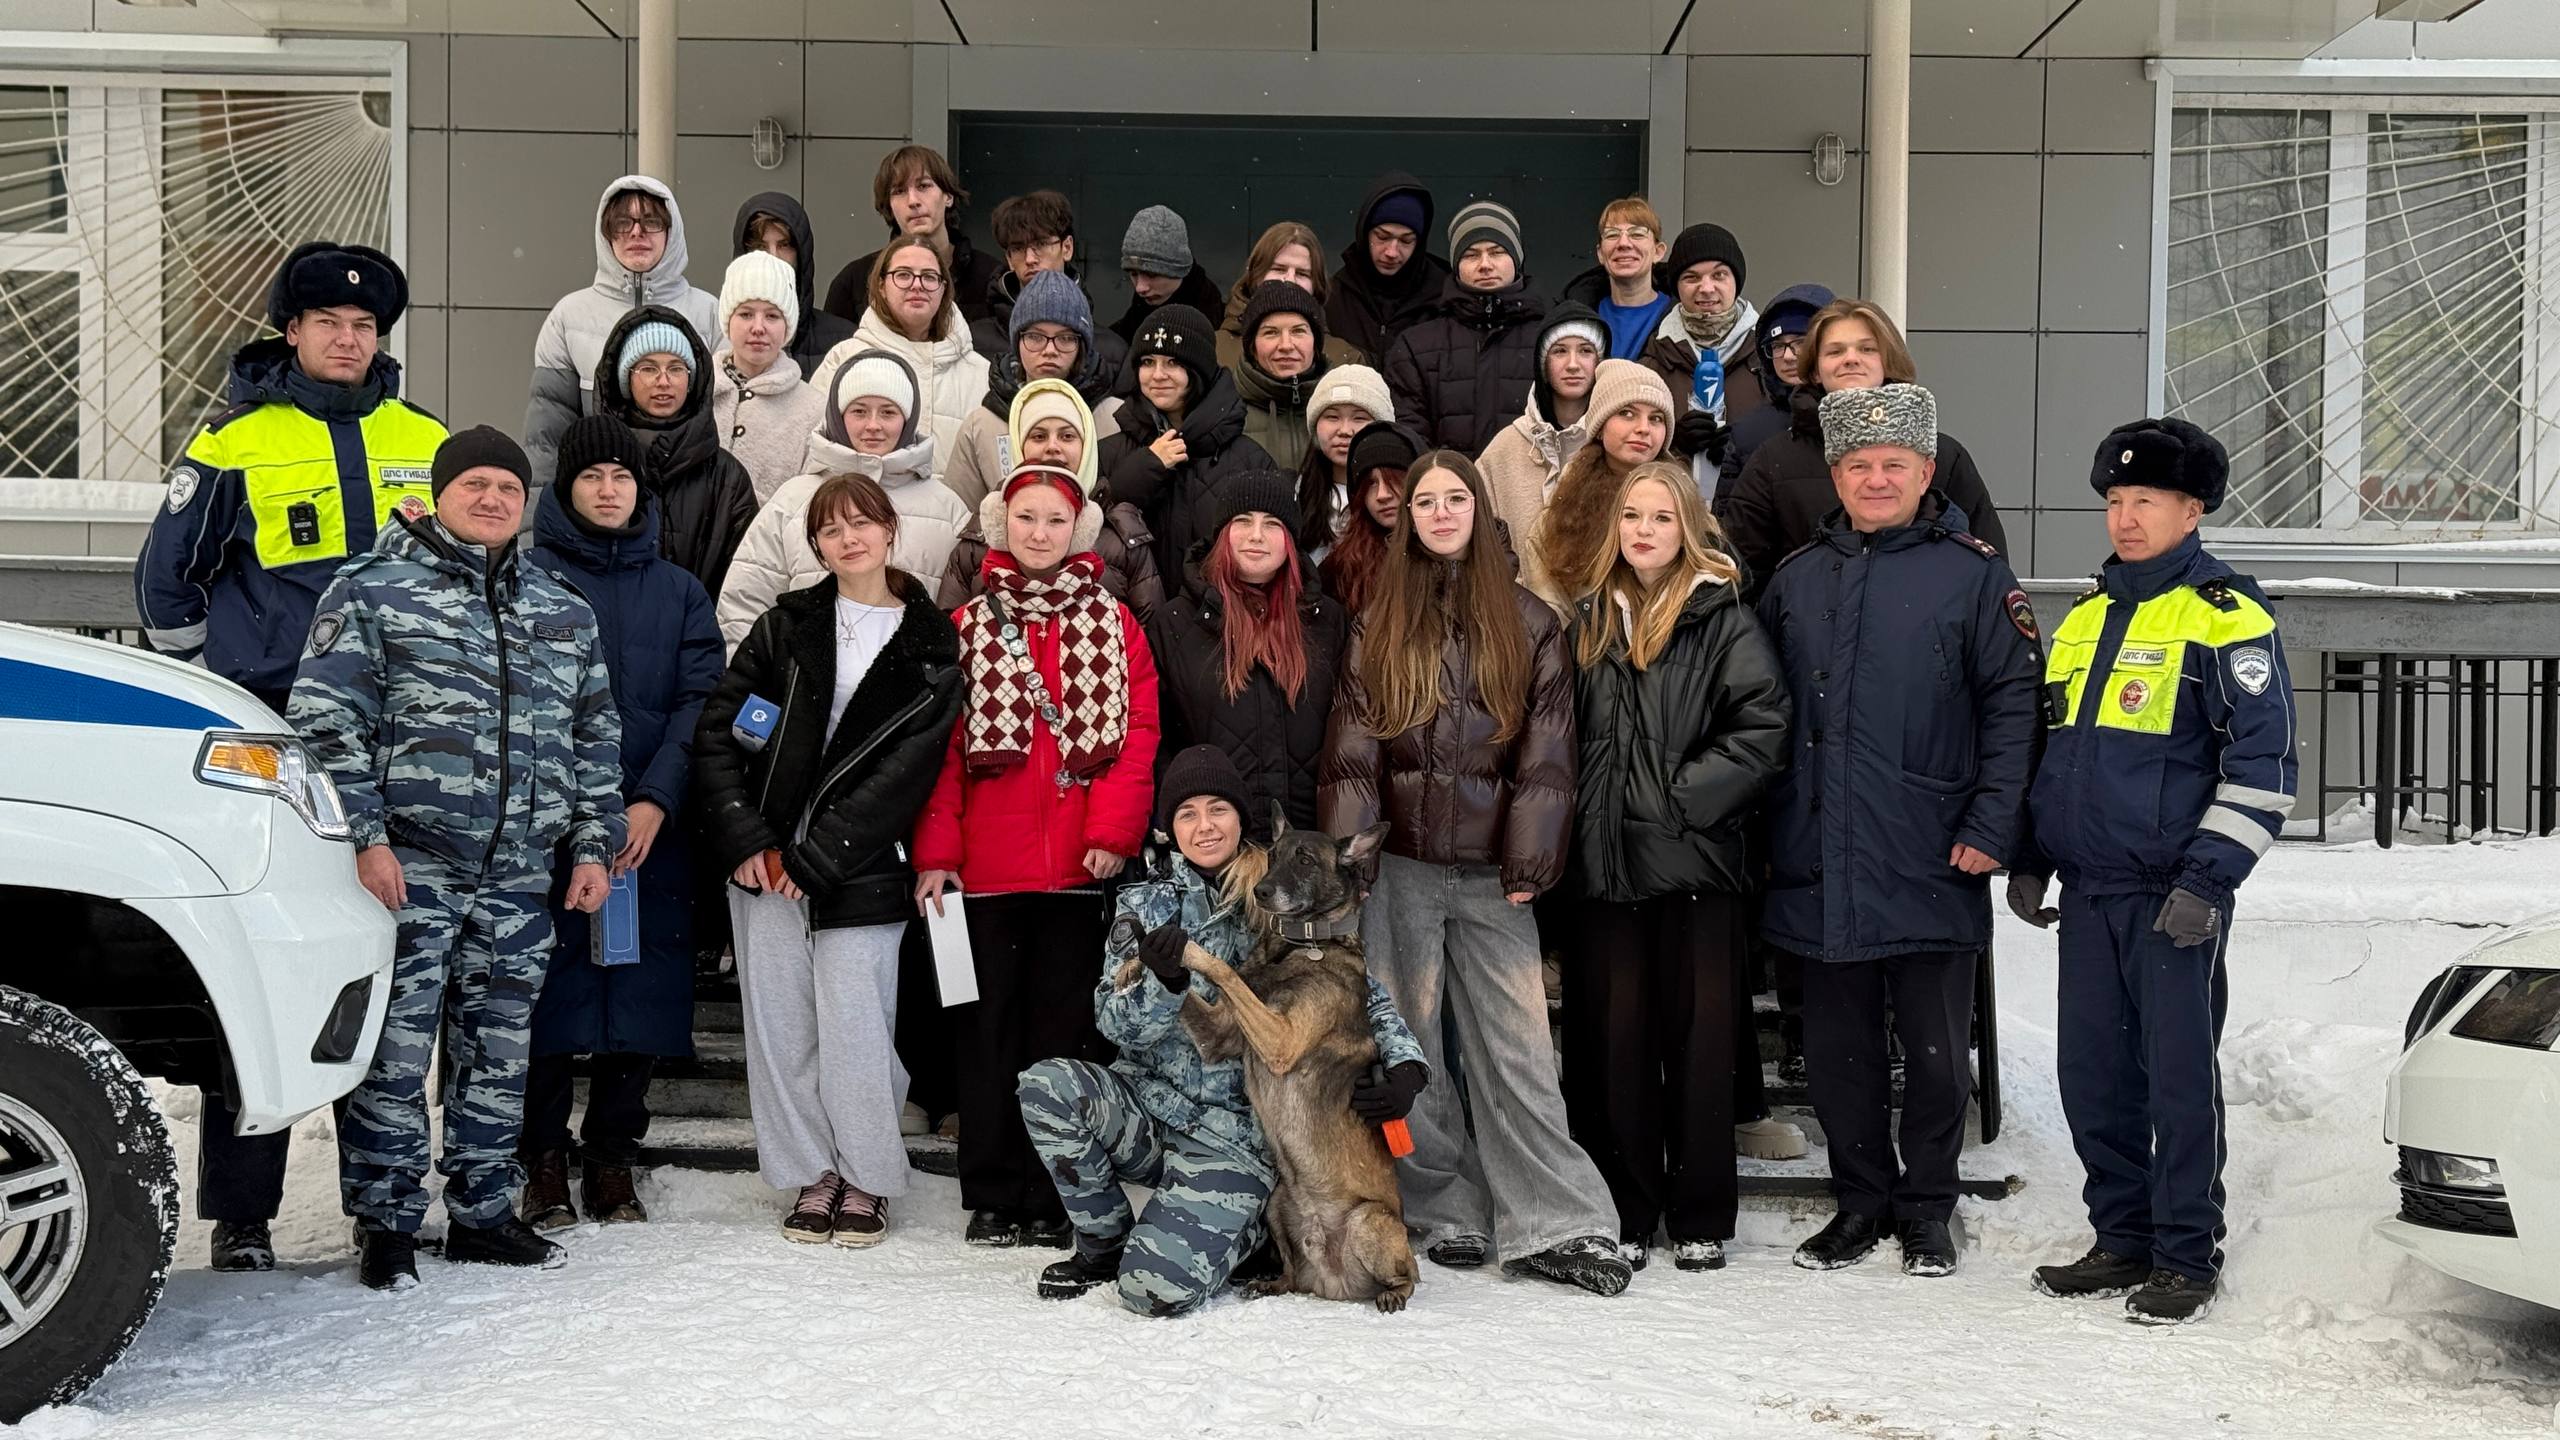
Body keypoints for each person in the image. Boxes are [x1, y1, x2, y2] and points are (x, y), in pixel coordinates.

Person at [134, 240, 445, 1274]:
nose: (349, 340)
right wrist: (226, 701)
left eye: (365, 327)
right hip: (277, 745)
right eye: (328, 324)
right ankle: (245, 1212)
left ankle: (381, 1204)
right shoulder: (233, 443)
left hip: (398, 744)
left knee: (383, 967)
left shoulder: (425, 438)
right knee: (264, 960)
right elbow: (165, 588)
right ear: (292, 332)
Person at [290, 425, 625, 1292]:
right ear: (439, 494)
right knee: (396, 1053)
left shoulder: (560, 608)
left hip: (519, 874)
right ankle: (388, 1223)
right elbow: (328, 726)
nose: (491, 500)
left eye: (508, 489)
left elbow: (595, 736)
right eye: (473, 484)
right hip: (410, 864)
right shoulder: (373, 592)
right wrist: (366, 837)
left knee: (498, 1049)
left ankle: (482, 1211)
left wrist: (592, 845)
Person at [1317, 450, 1632, 1297]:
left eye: (1457, 498)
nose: (1442, 512)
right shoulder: (1379, 619)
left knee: (1518, 1048)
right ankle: (1443, 1206)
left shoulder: (1530, 622)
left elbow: (1549, 756)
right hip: (1403, 870)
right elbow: (1353, 753)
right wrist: (1352, 863)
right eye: (1426, 500)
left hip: (1497, 875)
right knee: (1405, 1044)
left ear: (1478, 510)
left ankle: (1558, 1220)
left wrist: (1529, 857)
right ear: (1407, 516)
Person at [1755, 385, 2042, 1280]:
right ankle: (1860, 1203)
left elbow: (2014, 708)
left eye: (1894, 465)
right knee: (1838, 1056)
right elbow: (1762, 713)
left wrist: (1993, 824)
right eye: (1858, 466)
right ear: (1835, 476)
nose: (1875, 479)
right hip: (1819, 854)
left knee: (1934, 1055)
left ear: (1925, 472)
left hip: (1933, 846)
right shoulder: (1797, 580)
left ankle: (1927, 1207)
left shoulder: (1976, 575)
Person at [2018, 419, 2296, 1327]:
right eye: (2113, 501)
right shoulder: (2086, 617)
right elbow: (2052, 753)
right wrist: (2031, 854)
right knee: (2093, 1078)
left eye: (2145, 501)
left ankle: (2184, 1254)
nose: (2125, 519)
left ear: (2192, 509)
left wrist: (2207, 883)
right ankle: (2122, 1236)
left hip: (2174, 896)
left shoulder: (2228, 618)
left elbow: (2266, 769)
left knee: (2176, 1083)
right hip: (2091, 895)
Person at [1020, 745, 1427, 1314]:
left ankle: (1245, 1231)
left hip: (1230, 1136)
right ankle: (1104, 1244)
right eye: (1187, 813)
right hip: (1150, 1109)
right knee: (1046, 1087)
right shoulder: (1143, 901)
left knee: (1153, 1293)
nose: (1204, 826)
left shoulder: (1277, 892)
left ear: (1241, 819)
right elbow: (1112, 1020)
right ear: (1170, 827)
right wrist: (1163, 986)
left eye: (1218, 809)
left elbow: (1350, 989)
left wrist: (1408, 1066)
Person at [695, 471, 965, 1247]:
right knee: (781, 1027)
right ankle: (812, 1173)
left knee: (856, 1023)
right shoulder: (788, 625)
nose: (849, 539)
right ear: (815, 545)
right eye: (831, 529)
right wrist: (747, 841)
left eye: (862, 524)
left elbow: (907, 771)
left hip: (862, 864)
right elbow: (721, 732)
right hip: (764, 862)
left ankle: (868, 1176)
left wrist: (818, 858)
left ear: (889, 532)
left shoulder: (930, 641)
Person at [911, 462, 1162, 1249]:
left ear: (1077, 530)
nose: (1040, 533)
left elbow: (1138, 737)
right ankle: (992, 1191)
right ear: (1001, 526)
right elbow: (943, 750)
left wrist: (1112, 834)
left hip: (1076, 875)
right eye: (1026, 519)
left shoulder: (1117, 623)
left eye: (1055, 520)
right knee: (985, 1037)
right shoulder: (966, 626)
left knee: (1066, 1040)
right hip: (984, 872)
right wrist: (938, 852)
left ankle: (1060, 1189)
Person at [1560, 460, 1789, 1273]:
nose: (1645, 531)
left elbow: (1762, 728)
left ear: (1687, 525)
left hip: (1695, 866)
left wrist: (1680, 802)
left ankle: (1699, 1214)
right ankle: (1626, 1205)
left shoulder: (1722, 616)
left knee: (1698, 1044)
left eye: (1661, 516)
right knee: (1612, 1045)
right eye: (1632, 517)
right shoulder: (1588, 619)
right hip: (1604, 870)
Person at [518, 416, 724, 1230]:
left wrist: (656, 798)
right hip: (548, 830)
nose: (609, 490)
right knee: (546, 995)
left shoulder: (679, 591)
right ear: (566, 486)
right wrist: (578, 813)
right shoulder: (526, 578)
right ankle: (540, 1158)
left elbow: (697, 703)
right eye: (593, 476)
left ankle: (611, 1158)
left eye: (623, 477)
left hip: (651, 832)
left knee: (639, 993)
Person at [1725, 298, 2010, 597]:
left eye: (1867, 349)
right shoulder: (1773, 459)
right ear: (1815, 370)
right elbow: (1742, 576)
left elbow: (1990, 572)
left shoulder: (1941, 454)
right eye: (1835, 351)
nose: (1850, 359)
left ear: (1888, 360)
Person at [718, 348, 969, 648]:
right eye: (859, 411)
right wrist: (757, 682)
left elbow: (963, 618)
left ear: (908, 418)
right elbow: (745, 604)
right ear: (838, 416)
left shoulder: (947, 507)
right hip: (804, 685)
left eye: (888, 412)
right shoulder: (793, 499)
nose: (873, 425)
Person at [1148, 471, 1346, 840]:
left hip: (1309, 851)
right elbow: (1158, 742)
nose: (1256, 535)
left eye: (1272, 524)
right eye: (1242, 521)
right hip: (1215, 850)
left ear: (1290, 540)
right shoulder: (1174, 623)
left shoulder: (1327, 621)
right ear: (1222, 534)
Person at [526, 176, 719, 484]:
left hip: (694, 505)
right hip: (599, 509)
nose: (636, 233)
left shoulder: (711, 314)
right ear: (606, 234)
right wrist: (537, 527)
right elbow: (547, 444)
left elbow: (724, 430)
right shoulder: (569, 317)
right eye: (622, 223)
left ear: (673, 230)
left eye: (651, 221)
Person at [942, 378, 1164, 622]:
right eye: (1038, 436)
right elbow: (949, 636)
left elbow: (1148, 639)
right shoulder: (981, 537)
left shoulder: (1124, 537)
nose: (1053, 447)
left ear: (1087, 446)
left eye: (1067, 436)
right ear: (1019, 445)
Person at [1099, 302, 1276, 582]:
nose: (1158, 375)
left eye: (1173, 362)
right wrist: (1147, 467)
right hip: (1132, 619)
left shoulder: (1250, 460)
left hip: (1219, 618)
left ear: (1199, 371)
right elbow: (1091, 528)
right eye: (1147, 362)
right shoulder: (1109, 452)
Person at [590, 307, 758, 599]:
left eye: (676, 368)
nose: (663, 381)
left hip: (701, 637)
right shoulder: (591, 465)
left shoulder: (726, 476)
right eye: (648, 368)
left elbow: (748, 581)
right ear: (624, 379)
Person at [815, 234, 992, 487]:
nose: (917, 285)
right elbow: (815, 452)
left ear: (944, 289)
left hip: (953, 521)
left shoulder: (979, 372)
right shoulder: (844, 360)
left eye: (929, 277)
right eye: (903, 275)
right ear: (881, 286)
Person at [944, 268, 1122, 515]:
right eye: (1035, 337)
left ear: (1082, 346)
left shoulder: (1115, 418)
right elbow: (958, 519)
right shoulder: (982, 425)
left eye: (1065, 338)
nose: (1050, 350)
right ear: (1017, 341)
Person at [1384, 199, 1548, 457]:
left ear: (1517, 259)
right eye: (1471, 254)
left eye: (1497, 252)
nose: (1485, 264)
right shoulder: (1416, 345)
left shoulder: (1551, 338)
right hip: (1445, 492)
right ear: (1456, 266)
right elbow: (1409, 435)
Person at [1519, 359, 1676, 606]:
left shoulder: (1684, 504)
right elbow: (1549, 611)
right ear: (1600, 427)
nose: (1644, 428)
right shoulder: (1562, 514)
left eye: (1656, 418)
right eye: (1627, 413)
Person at [1476, 303, 1605, 585]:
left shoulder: (1615, 444)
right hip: (1520, 614)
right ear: (1542, 363)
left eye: (1585, 350)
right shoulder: (1504, 448)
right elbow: (1478, 541)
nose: (1573, 364)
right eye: (1559, 351)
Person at [1635, 224, 1762, 493]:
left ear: (1736, 281)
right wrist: (1671, 442)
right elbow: (1630, 452)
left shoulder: (1768, 356)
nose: (1706, 288)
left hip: (1750, 516)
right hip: (1673, 512)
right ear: (1677, 287)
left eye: (1719, 275)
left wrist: (1747, 447)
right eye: (1691, 278)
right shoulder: (1654, 360)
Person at [824, 144, 1004, 329]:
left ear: (948, 196)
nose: (913, 201)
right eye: (899, 191)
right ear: (889, 206)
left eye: (924, 186)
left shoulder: (991, 276)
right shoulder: (855, 280)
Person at [968, 190, 1129, 377]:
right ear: (1009, 259)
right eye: (1018, 248)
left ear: (1067, 248)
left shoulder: (1111, 350)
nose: (1030, 258)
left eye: (1041, 244)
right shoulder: (974, 342)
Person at [711, 251, 829, 504]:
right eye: (745, 314)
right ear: (727, 320)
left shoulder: (813, 410)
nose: (758, 327)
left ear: (787, 326)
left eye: (772, 316)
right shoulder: (694, 393)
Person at [1720, 283, 1836, 496]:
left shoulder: (1866, 416)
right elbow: (1729, 519)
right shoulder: (1748, 431)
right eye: (1777, 346)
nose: (1788, 356)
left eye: (1800, 342)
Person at [732, 191, 859, 378]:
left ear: (801, 253)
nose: (773, 257)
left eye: (784, 245)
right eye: (761, 246)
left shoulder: (844, 341)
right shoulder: (722, 338)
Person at [1326, 173, 1450, 365]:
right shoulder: (1333, 296)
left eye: (1406, 240)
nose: (1392, 252)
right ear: (1365, 233)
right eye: (1382, 237)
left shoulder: (1445, 299)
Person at [1217, 220, 1366, 371]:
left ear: (1316, 285)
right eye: (1279, 269)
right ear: (1256, 276)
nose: (1289, 280)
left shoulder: (1344, 360)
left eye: (1302, 273)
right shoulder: (1215, 351)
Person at [1317, 420, 1421, 615]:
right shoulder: (1341, 568)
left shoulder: (1447, 550)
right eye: (1371, 483)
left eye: (1394, 480)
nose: (1383, 494)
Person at [1293, 363, 1393, 561]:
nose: (1345, 430)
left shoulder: (1396, 494)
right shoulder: (1297, 492)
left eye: (1359, 418)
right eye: (1332, 417)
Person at [1232, 280, 1334, 472]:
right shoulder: (1227, 412)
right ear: (1252, 347)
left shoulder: (1344, 405)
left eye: (1298, 331)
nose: (1286, 345)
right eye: (1271, 332)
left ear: (1316, 343)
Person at [1558, 198, 1674, 361]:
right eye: (1612, 235)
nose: (1624, 243)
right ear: (1600, 254)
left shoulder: (1681, 318)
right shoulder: (1574, 317)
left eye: (1637, 234)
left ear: (1658, 252)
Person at [1109, 204, 1225, 347]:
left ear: (1178, 270)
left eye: (1151, 274)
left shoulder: (1222, 333)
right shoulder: (1117, 340)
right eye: (1133, 274)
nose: (1140, 288)